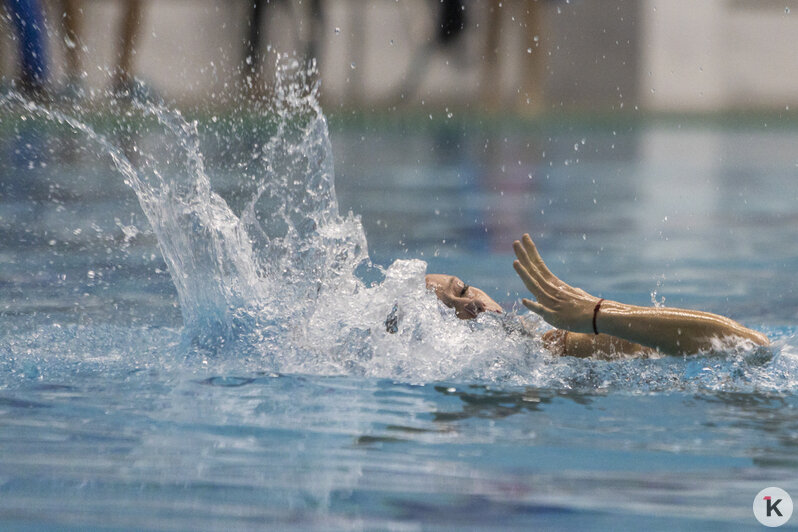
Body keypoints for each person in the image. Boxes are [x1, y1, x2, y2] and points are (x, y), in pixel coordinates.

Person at [425, 233, 769, 358]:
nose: (470, 305)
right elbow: (751, 347)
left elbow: (748, 346)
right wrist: (597, 314)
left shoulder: (548, 346)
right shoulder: (554, 350)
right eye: (445, 310)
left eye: (463, 290)